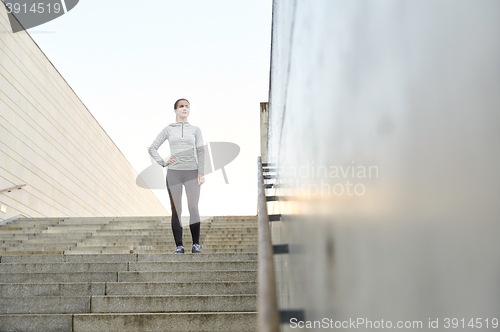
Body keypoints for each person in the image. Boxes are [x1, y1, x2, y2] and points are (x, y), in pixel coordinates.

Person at [148, 98, 205, 254]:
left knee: (193, 207)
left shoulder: (195, 130)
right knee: (176, 209)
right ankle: (179, 245)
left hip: (192, 172)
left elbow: (200, 151)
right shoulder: (168, 129)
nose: (185, 108)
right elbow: (152, 148)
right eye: (181, 106)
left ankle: (196, 244)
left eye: (187, 106)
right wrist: (163, 162)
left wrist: (201, 172)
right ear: (175, 110)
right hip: (174, 173)